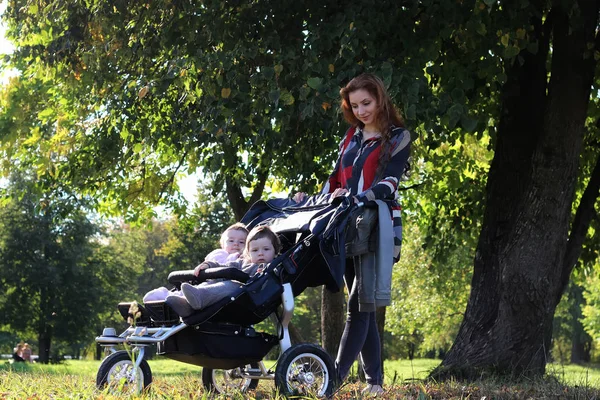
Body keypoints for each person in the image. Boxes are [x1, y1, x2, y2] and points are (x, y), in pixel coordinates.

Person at [294, 73, 410, 395]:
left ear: (380, 99)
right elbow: (335, 179)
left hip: (376, 226)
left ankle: (331, 381)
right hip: (343, 226)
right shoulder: (351, 137)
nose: (361, 111)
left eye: (366, 103)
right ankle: (375, 384)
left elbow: (389, 184)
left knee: (358, 307)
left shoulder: (398, 136)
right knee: (366, 310)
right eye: (354, 105)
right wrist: (315, 199)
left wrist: (358, 197)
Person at [166, 225, 282, 317]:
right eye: (255, 250)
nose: (260, 253)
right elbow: (224, 266)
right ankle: (186, 305)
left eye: (266, 249)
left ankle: (198, 297)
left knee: (232, 285)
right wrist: (208, 265)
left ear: (275, 251)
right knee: (211, 282)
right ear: (248, 253)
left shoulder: (272, 268)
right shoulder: (242, 263)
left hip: (243, 297)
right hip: (222, 292)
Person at [143, 223, 248, 302]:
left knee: (196, 292)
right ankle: (163, 296)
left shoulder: (245, 259)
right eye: (231, 241)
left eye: (241, 242)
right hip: (207, 281)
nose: (236, 244)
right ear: (222, 244)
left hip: (217, 290)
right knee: (188, 290)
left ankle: (175, 300)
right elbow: (218, 264)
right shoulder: (219, 253)